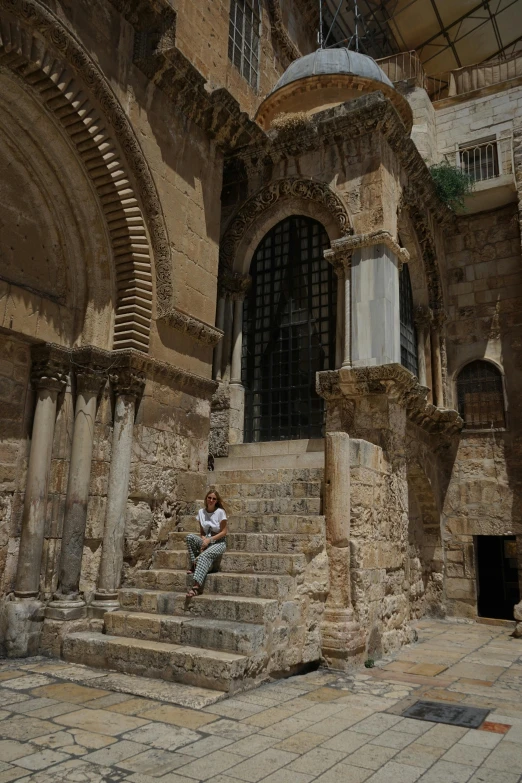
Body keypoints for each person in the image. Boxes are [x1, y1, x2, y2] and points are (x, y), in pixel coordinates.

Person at [185, 489, 227, 597]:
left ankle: (196, 587)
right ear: (206, 498)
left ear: (217, 501)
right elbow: (202, 532)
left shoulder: (220, 512)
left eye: (214, 498)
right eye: (209, 498)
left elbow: (224, 532)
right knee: (189, 537)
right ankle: (195, 564)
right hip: (207, 539)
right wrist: (204, 540)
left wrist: (210, 540)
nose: (211, 500)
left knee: (203, 556)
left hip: (218, 542)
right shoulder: (201, 512)